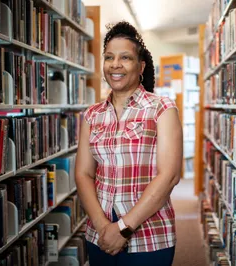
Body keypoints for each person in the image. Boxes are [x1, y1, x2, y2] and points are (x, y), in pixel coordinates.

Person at [75, 21, 183, 266]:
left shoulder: (162, 108)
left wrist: (122, 228)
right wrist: (105, 228)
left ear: (140, 65)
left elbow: (169, 176)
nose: (115, 64)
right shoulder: (91, 115)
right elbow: (83, 173)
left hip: (149, 236)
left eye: (125, 57)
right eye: (109, 57)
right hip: (99, 234)